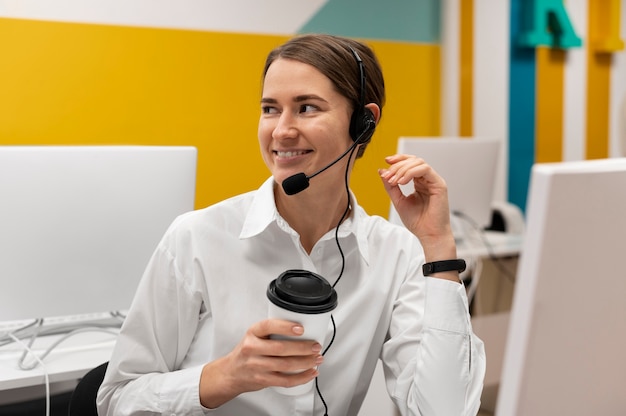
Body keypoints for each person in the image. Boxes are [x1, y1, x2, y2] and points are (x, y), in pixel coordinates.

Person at [97, 33, 485, 416]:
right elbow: (117, 399)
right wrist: (225, 376)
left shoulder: (397, 254)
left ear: (364, 122)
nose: (281, 130)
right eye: (270, 109)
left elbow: (443, 410)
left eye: (306, 108)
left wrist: (438, 246)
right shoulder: (196, 238)